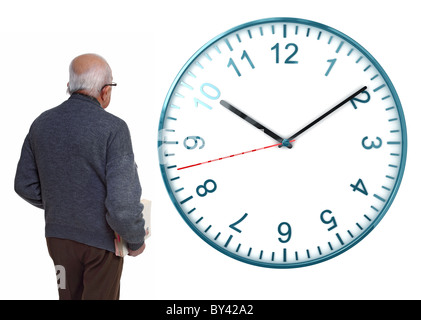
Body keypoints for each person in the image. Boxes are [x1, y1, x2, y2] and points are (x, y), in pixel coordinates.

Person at [14, 53, 146, 300]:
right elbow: (122, 204)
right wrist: (136, 240)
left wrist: (64, 201)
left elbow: (24, 185)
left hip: (58, 240)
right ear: (105, 90)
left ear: (69, 86)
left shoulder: (41, 123)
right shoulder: (114, 128)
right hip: (101, 244)